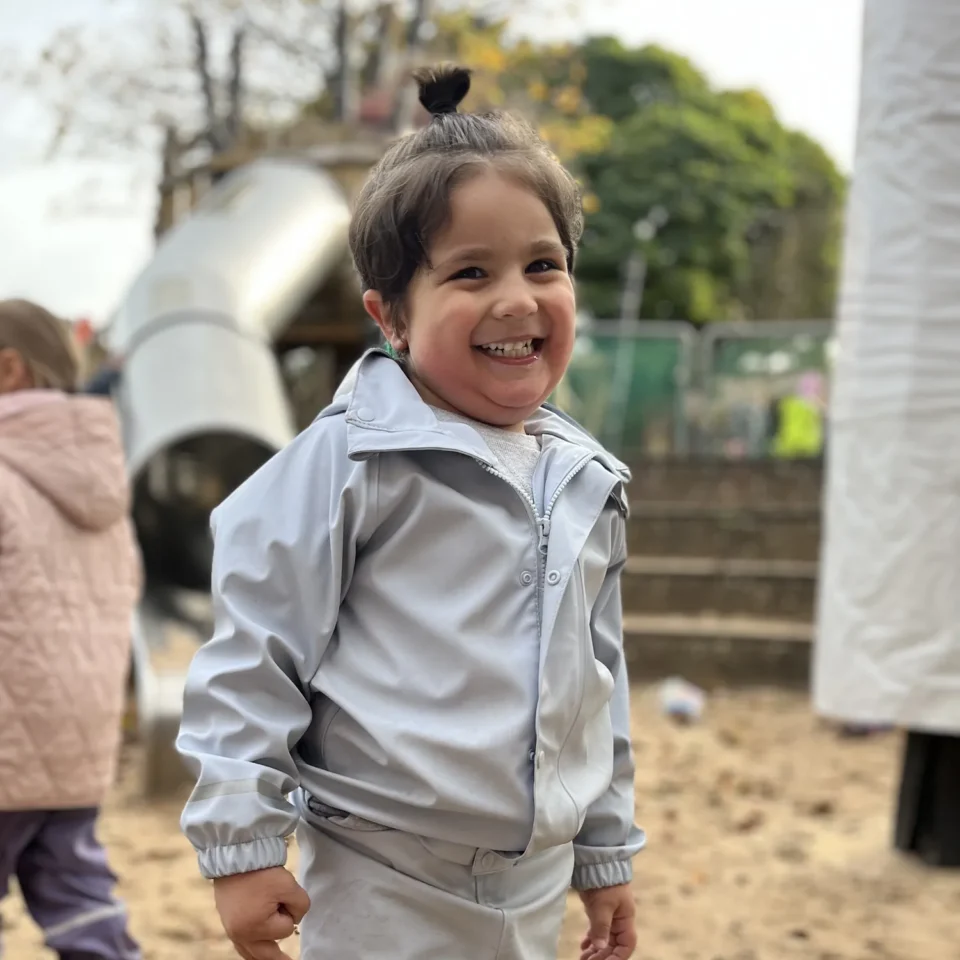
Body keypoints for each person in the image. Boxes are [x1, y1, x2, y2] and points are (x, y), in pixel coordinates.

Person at [177, 64, 645, 960]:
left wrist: (604, 851)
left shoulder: (587, 478)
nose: (517, 298)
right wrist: (241, 847)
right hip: (379, 874)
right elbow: (254, 651)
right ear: (389, 314)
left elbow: (600, 684)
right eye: (470, 272)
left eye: (543, 265)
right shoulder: (349, 462)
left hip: (536, 877)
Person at [0, 299, 142, 960]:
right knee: (80, 901)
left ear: (8, 370)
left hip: (7, 744)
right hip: (78, 744)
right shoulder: (104, 487)